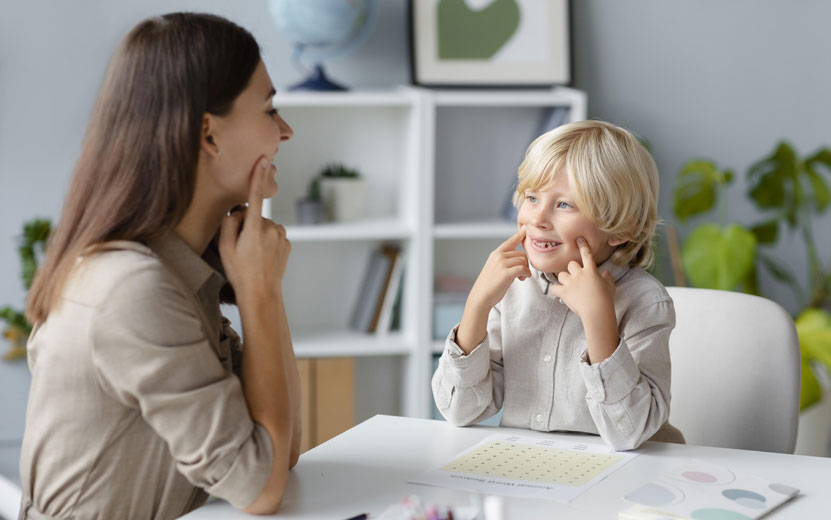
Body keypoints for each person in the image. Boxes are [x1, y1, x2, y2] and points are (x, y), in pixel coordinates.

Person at [19, 13, 300, 518]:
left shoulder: (179, 270)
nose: (285, 131)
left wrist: (263, 288)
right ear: (208, 135)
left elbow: (281, 452)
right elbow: (262, 486)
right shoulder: (132, 290)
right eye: (269, 109)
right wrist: (260, 295)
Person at [432, 120, 685, 451]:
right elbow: (461, 411)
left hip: (626, 479)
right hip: (538, 473)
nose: (538, 219)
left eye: (564, 204)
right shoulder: (511, 290)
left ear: (621, 228)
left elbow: (631, 433)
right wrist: (477, 305)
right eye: (532, 197)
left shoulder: (645, 303)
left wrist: (598, 318)